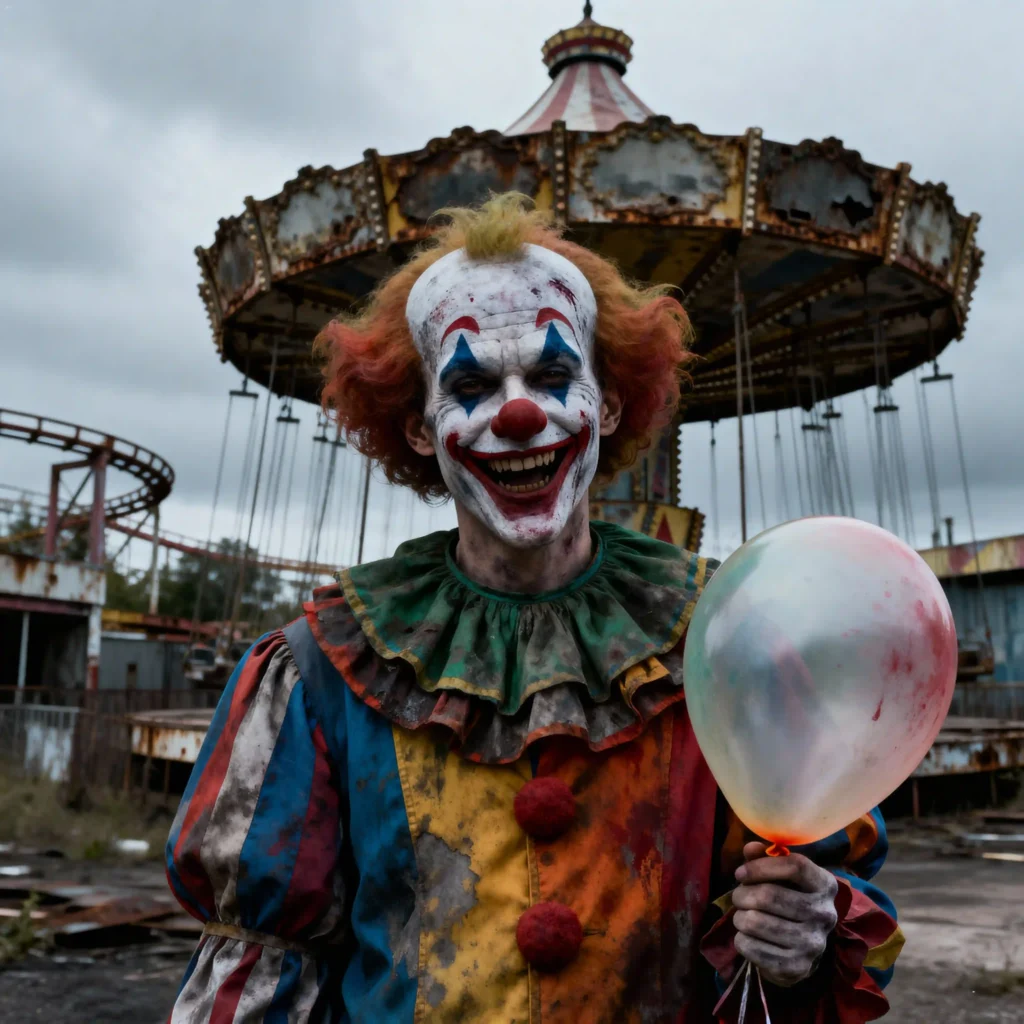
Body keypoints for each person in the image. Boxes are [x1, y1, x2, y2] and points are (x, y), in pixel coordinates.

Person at [165, 195, 903, 1023]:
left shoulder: (729, 641)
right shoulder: (324, 668)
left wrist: (805, 936)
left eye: (554, 377)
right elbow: (262, 967)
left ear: (611, 405)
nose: (519, 416)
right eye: (473, 385)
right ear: (417, 428)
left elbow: (826, 894)